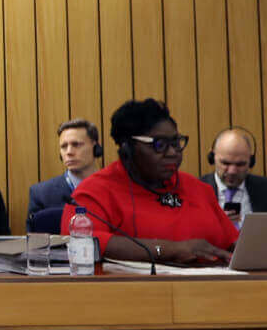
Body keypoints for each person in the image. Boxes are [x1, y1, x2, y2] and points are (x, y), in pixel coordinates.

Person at [65, 99, 238, 267]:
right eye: (160, 145)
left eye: (176, 143)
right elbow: (83, 242)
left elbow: (233, 243)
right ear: (127, 148)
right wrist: (171, 250)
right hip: (134, 293)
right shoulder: (94, 191)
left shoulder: (199, 189)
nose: (172, 153)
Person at [202, 127, 267, 227]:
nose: (232, 171)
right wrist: (215, 224)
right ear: (212, 158)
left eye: (240, 164)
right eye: (225, 163)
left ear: (251, 162)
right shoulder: (195, 191)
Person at [27, 119, 101, 231]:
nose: (69, 152)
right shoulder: (41, 194)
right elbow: (35, 244)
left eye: (76, 144)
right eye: (64, 146)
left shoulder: (115, 188)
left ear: (95, 148)